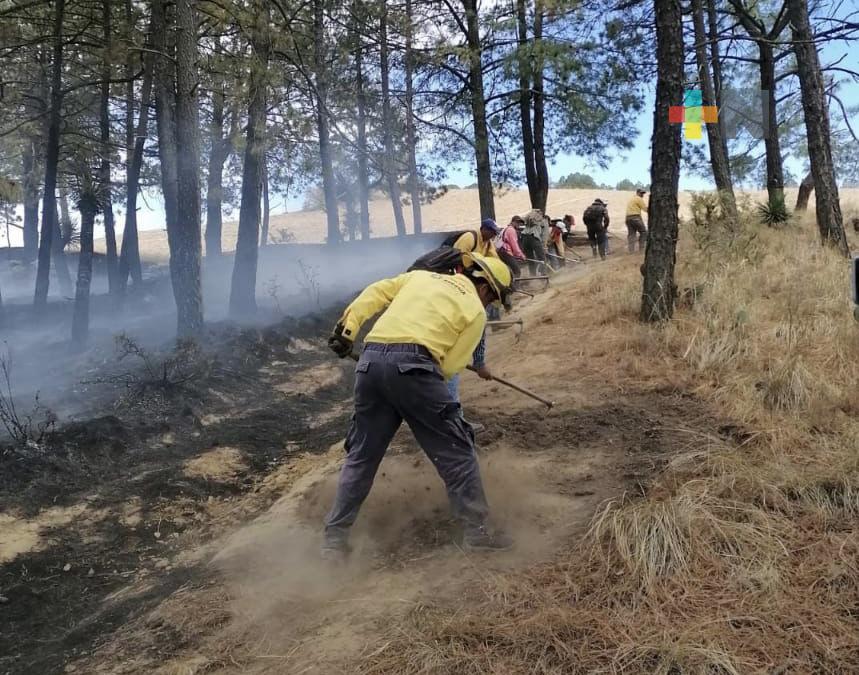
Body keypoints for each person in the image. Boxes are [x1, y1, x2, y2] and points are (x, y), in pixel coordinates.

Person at [324, 253, 514, 560]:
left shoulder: (420, 277)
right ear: (486, 289)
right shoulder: (476, 313)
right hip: (417, 370)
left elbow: (375, 293)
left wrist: (347, 329)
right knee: (458, 451)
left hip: (370, 364)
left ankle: (333, 540)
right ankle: (477, 535)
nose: (490, 305)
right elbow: (450, 367)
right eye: (494, 300)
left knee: (361, 457)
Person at [520, 209, 548, 275]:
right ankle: (544, 274)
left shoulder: (528, 219)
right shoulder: (544, 222)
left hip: (524, 238)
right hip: (534, 238)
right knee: (542, 258)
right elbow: (544, 235)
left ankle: (532, 275)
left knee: (530, 259)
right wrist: (544, 247)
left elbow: (523, 219)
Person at [625, 188, 649, 253]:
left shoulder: (632, 199)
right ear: (638, 193)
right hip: (636, 217)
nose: (642, 195)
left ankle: (631, 250)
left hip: (628, 218)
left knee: (631, 234)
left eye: (643, 193)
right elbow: (645, 209)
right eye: (641, 193)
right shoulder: (639, 199)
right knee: (643, 232)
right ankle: (641, 249)